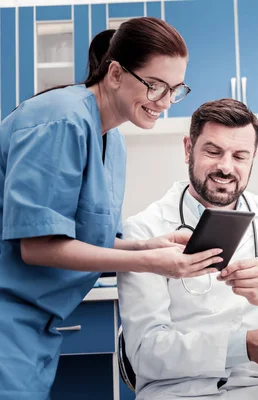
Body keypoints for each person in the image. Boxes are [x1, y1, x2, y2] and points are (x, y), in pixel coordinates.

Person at [0, 18, 224, 399]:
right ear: (116, 73)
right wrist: (156, 264)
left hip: (35, 325)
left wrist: (146, 246)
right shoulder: (61, 120)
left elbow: (83, 239)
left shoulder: (113, 141)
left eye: (175, 90)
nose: (165, 102)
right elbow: (37, 246)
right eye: (155, 86)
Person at [117, 98, 258, 400]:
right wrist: (245, 346)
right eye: (213, 152)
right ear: (188, 149)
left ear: (254, 158)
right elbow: (145, 352)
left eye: (240, 156)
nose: (226, 167)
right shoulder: (145, 229)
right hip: (175, 392)